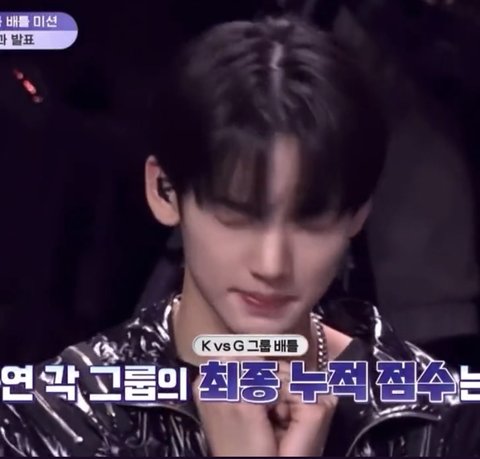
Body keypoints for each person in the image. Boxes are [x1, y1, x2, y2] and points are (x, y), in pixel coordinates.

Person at [1, 16, 479, 457]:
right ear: (165, 192)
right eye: (237, 217)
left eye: (311, 221)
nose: (272, 265)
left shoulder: (436, 418)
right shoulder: (56, 417)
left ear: (356, 215)